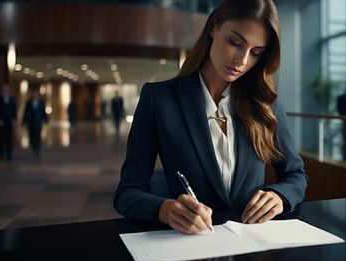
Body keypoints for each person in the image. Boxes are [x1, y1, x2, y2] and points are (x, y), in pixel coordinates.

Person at [114, 0, 308, 235]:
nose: (242, 60)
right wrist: (166, 209)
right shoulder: (159, 99)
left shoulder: (265, 104)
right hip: (192, 250)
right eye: (235, 42)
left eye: (256, 53)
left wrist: (279, 196)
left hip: (252, 249)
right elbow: (127, 193)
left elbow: (295, 176)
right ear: (213, 28)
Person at [0, 83, 17, 160]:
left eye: (6, 90)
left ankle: (9, 154)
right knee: (0, 139)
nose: (5, 91)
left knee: (9, 138)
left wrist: (14, 119)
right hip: (1, 122)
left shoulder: (12, 99)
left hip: (9, 121)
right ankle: (1, 154)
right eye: (4, 90)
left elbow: (14, 110)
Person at [23, 90, 48, 157]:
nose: (35, 96)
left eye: (36, 94)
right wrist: (24, 121)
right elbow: (25, 113)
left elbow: (43, 112)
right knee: (31, 135)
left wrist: (45, 120)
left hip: (38, 122)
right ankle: (33, 146)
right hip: (31, 122)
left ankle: (38, 147)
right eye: (34, 94)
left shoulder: (41, 103)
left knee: (38, 135)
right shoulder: (28, 103)